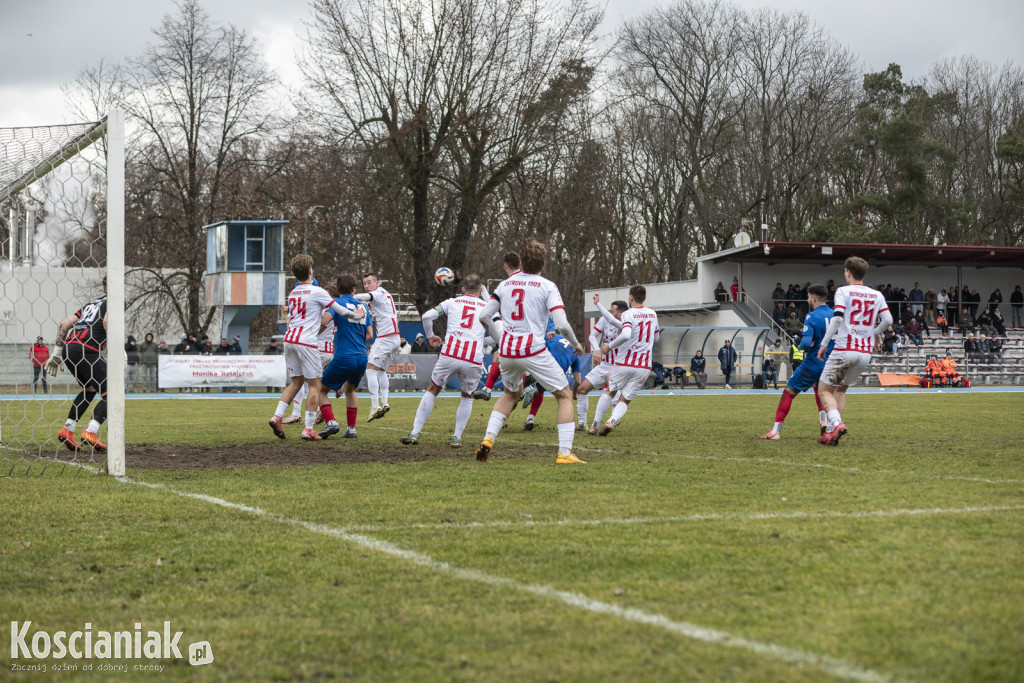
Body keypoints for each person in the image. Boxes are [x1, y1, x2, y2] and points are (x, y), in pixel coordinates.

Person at [473, 238, 585, 464]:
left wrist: (501, 338)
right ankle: (564, 453)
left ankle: (488, 439)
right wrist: (575, 344)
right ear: (543, 264)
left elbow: (484, 316)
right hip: (534, 350)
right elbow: (561, 324)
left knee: (510, 395)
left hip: (508, 351)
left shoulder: (505, 285)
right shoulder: (547, 286)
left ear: (521, 261)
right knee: (564, 396)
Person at [268, 254, 365, 441]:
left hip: (289, 340)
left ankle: (277, 416)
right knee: (315, 385)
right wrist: (358, 315)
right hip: (306, 341)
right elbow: (341, 310)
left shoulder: (293, 293)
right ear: (311, 272)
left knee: (295, 383)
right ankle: (308, 428)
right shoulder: (317, 291)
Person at [400, 274, 496, 447]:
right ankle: (456, 437)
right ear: (480, 290)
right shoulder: (486, 308)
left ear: (462, 290)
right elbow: (498, 336)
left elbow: (427, 317)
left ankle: (415, 433)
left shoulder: (452, 303)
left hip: (451, 354)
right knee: (467, 396)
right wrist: (480, 340)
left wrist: (430, 336)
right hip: (473, 358)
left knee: (432, 390)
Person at [816, 257, 892, 446]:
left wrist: (824, 344)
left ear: (848, 272)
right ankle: (833, 432)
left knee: (824, 390)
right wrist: (873, 333)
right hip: (864, 353)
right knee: (841, 389)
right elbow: (888, 320)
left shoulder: (843, 291)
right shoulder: (877, 295)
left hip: (844, 348)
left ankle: (837, 423)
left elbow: (837, 319)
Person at [760, 284, 834, 440]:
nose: (807, 299)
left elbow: (806, 344)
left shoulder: (812, 316)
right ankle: (824, 422)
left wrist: (799, 342)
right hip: (830, 364)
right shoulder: (835, 315)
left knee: (788, 392)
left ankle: (775, 431)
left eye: (808, 296)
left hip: (814, 363)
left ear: (814, 298)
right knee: (820, 391)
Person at [44, 278, 110, 451]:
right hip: (87, 350)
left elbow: (65, 324)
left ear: (104, 289)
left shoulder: (91, 304)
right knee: (112, 394)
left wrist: (57, 353)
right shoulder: (116, 301)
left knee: (90, 390)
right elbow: (106, 322)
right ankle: (91, 431)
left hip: (69, 348)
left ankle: (67, 430)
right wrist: (120, 350)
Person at [595, 284, 660, 436]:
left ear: (631, 297)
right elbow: (656, 337)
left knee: (610, 391)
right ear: (644, 297)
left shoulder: (628, 314)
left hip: (625, 362)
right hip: (644, 365)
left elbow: (625, 334)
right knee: (625, 399)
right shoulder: (652, 314)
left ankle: (595, 424)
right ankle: (611, 421)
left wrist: (609, 346)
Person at [315, 274, 371, 440]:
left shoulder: (337, 303)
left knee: (319, 389)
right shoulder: (363, 307)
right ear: (354, 289)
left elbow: (324, 321)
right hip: (361, 355)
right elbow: (369, 334)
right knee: (350, 389)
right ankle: (352, 429)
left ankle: (331, 421)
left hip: (344, 356)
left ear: (338, 290)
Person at [473, 251, 524, 400]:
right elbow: (491, 339)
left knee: (501, 356)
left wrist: (484, 291)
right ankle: (524, 389)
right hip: (520, 335)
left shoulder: (496, 316)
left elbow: (489, 308)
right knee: (504, 358)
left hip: (510, 335)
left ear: (505, 266)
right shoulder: (531, 283)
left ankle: (489, 389)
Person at [575, 295, 627, 432]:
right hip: (605, 364)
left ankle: (610, 422)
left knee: (611, 389)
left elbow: (611, 320)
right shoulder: (605, 319)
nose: (609, 313)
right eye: (608, 310)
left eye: (612, 311)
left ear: (620, 314)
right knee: (582, 388)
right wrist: (596, 350)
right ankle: (581, 423)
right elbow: (592, 336)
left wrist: (598, 305)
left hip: (618, 366)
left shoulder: (625, 324)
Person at [354, 272, 401, 422]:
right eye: (365, 283)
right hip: (394, 337)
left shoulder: (379, 293)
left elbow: (365, 297)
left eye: (369, 282)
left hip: (386, 337)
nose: (367, 286)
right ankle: (384, 402)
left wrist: (348, 298)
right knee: (381, 371)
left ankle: (374, 407)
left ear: (377, 283)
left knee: (369, 369)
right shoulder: (384, 295)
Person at [521, 334, 582, 431]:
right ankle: (530, 417)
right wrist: (574, 394)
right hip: (557, 372)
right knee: (559, 396)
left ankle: (528, 388)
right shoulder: (576, 353)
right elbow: (578, 381)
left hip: (547, 361)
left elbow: (541, 340)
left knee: (522, 363)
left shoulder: (557, 336)